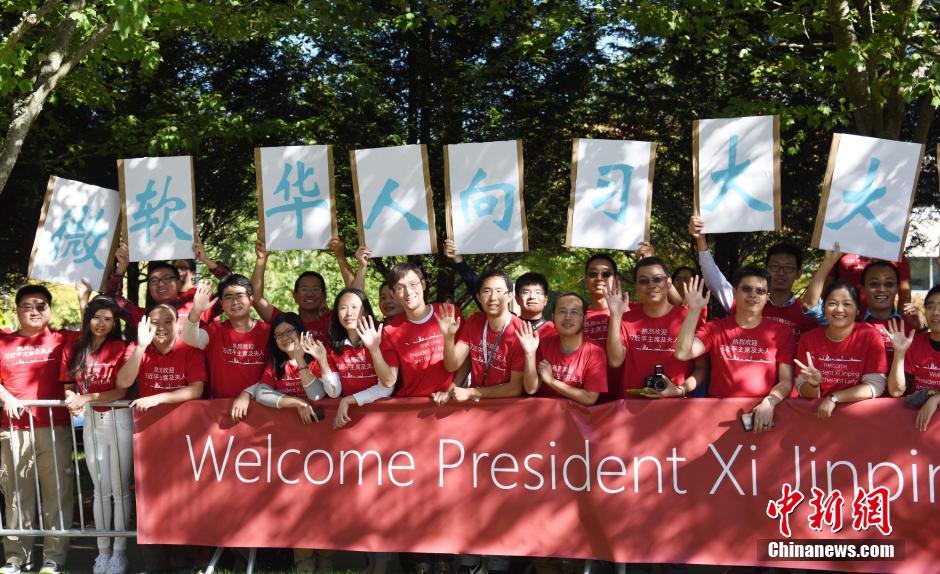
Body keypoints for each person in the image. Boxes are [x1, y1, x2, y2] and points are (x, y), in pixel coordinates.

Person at [372, 263, 457, 574]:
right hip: (411, 420)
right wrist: (374, 348)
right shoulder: (392, 331)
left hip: (450, 417)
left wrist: (456, 388)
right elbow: (389, 379)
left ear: (423, 284)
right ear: (394, 293)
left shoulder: (448, 311)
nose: (407, 293)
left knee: (446, 491)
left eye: (412, 284)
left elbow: (465, 358)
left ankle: (445, 559)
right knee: (411, 491)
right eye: (400, 289)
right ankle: (416, 560)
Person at [116, 307, 205, 573]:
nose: (162, 327)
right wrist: (142, 346)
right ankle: (154, 566)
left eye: (168, 321)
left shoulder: (190, 351)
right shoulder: (137, 348)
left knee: (182, 501)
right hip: (148, 441)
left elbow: (196, 389)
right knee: (149, 502)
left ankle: (183, 564)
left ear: (178, 326)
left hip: (184, 439)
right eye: (155, 323)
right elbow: (123, 381)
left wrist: (157, 398)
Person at [0, 285, 75, 574]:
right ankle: (17, 557)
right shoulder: (4, 341)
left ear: (50, 310)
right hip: (14, 429)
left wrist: (84, 299)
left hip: (54, 428)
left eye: (41, 305)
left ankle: (54, 558)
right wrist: (6, 396)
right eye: (28, 305)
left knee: (58, 493)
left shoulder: (63, 340)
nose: (34, 311)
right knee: (17, 495)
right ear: (17, 309)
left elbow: (96, 332)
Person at [60, 294, 132, 574]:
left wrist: (86, 397)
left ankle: (121, 552)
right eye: (96, 317)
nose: (101, 323)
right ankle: (102, 553)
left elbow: (121, 391)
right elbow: (68, 383)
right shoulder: (76, 348)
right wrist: (70, 398)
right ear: (88, 318)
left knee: (119, 488)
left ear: (114, 322)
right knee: (100, 490)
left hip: (118, 419)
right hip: (91, 421)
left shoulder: (121, 347)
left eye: (108, 319)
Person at [675, 271, 794, 431]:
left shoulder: (781, 332)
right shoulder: (715, 328)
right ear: (734, 292)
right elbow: (683, 353)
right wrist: (693, 311)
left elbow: (786, 381)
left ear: (767, 297)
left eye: (760, 291)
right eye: (746, 289)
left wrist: (770, 402)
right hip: (717, 417)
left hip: (762, 416)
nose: (753, 295)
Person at [689, 215, 817, 338]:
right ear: (766, 269)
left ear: (798, 273)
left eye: (788, 268)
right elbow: (715, 281)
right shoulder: (743, 300)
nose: (781, 272)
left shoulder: (808, 313)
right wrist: (701, 240)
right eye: (774, 266)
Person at [802, 244, 921, 364]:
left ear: (897, 288)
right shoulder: (847, 323)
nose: (882, 289)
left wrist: (920, 328)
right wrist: (828, 262)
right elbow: (810, 305)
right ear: (862, 289)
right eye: (874, 284)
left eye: (889, 284)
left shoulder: (907, 324)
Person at [606, 257, 706, 399]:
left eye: (657, 279)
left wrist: (680, 390)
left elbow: (702, 368)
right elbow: (615, 361)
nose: (651, 285)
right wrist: (615, 315)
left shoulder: (689, 318)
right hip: (632, 407)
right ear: (636, 286)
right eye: (644, 281)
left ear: (669, 282)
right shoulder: (625, 318)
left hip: (675, 408)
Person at [794, 281, 887, 418]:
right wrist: (812, 386)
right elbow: (804, 391)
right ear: (823, 308)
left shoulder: (870, 336)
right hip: (818, 416)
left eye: (847, 304)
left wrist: (834, 398)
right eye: (832, 303)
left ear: (858, 310)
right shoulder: (808, 339)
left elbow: (875, 386)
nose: (839, 309)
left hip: (857, 417)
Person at [435, 270, 525, 404]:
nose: (493, 297)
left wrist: (471, 392)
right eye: (486, 291)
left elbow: (515, 388)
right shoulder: (475, 321)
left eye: (499, 291)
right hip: (477, 405)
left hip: (506, 407)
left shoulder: (520, 332)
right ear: (478, 297)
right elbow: (452, 365)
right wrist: (448, 338)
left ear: (510, 296)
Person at [230, 312, 336, 425]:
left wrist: (300, 360)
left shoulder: (317, 358)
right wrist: (297, 403)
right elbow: (262, 393)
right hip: (288, 430)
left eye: (289, 331)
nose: (285, 338)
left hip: (322, 430)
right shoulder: (276, 364)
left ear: (300, 332)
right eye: (279, 335)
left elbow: (316, 394)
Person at [183, 275, 270, 399]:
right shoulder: (216, 332)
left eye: (240, 296)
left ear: (251, 300)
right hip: (220, 409)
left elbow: (274, 373)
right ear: (221, 304)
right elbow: (189, 338)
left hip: (260, 408)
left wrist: (248, 393)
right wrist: (196, 311)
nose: (235, 302)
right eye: (228, 297)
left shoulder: (267, 332)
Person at [106, 240, 231, 326]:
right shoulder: (144, 317)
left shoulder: (201, 307)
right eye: (153, 281)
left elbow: (233, 286)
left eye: (167, 279)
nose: (160, 284)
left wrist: (205, 259)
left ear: (178, 283)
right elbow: (114, 302)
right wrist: (122, 267)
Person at [326, 289, 397, 429]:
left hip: (383, 422)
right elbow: (333, 392)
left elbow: (387, 386)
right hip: (349, 423)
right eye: (343, 308)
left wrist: (348, 400)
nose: (348, 313)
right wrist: (322, 361)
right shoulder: (334, 347)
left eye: (354, 307)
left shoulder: (382, 337)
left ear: (365, 312)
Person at [519, 292, 607, 406]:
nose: (568, 317)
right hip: (544, 415)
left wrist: (552, 381)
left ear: (585, 319)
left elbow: (590, 398)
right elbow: (531, 388)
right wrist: (530, 353)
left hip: (578, 419)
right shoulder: (543, 345)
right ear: (553, 318)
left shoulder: (595, 352)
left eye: (574, 312)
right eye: (562, 311)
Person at [252, 237, 331, 341]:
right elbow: (256, 299)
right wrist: (261, 259)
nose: (310, 294)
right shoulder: (285, 323)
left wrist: (340, 257)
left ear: (324, 296)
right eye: (304, 289)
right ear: (295, 296)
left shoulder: (334, 320)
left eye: (316, 289)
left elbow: (355, 298)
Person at [887, 284, 940, 431]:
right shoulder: (915, 343)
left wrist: (936, 399)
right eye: (930, 307)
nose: (936, 312)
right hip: (912, 426)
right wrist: (899, 353)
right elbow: (896, 391)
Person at [829, 251, 912, 311]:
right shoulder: (841, 250)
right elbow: (827, 288)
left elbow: (904, 293)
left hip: (883, 320)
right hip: (845, 316)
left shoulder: (895, 252)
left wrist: (902, 322)